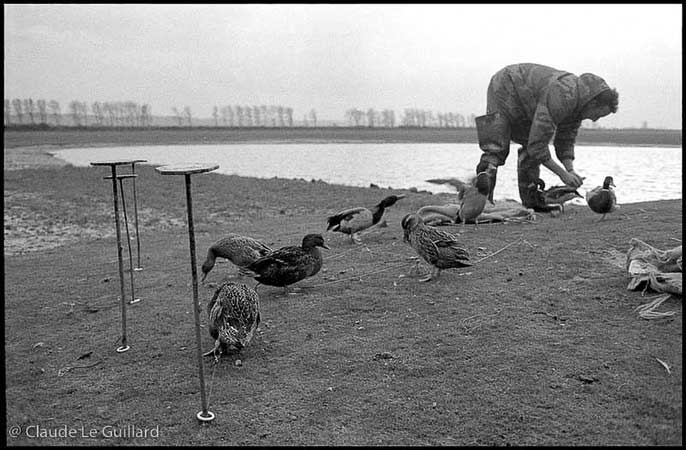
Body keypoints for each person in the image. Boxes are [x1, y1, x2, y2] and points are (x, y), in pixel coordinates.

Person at [474, 63, 619, 212]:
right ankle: (480, 202)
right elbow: (537, 146)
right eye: (599, 113)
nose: (595, 119)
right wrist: (562, 174)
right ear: (593, 102)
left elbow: (565, 141)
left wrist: (570, 171)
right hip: (505, 85)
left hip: (528, 104)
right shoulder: (563, 95)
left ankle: (531, 202)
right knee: (496, 148)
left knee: (531, 151)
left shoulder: (579, 107)